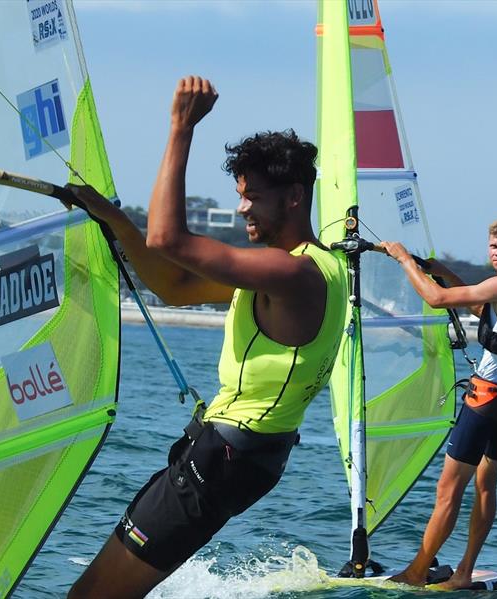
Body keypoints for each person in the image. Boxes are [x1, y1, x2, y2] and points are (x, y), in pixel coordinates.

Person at [64, 76, 347, 599]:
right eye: (240, 197)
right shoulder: (304, 270)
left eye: (253, 198)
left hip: (224, 461)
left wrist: (180, 128)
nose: (243, 210)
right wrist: (116, 221)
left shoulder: (294, 276)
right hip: (234, 458)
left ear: (294, 197)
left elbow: (167, 240)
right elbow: (174, 284)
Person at [381, 216, 497, 590]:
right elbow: (479, 310)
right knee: (486, 485)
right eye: (493, 246)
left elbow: (437, 299)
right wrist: (440, 270)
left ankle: (416, 571)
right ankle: (463, 573)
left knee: (448, 490)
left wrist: (403, 257)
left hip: (485, 402)